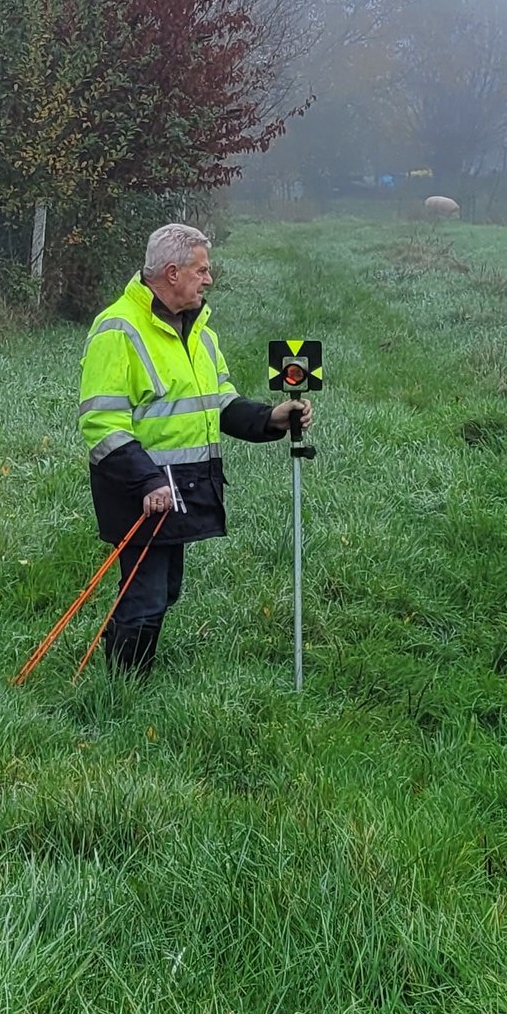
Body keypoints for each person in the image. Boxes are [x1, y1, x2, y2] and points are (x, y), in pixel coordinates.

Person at [76, 220, 301, 675]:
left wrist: (269, 419)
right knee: (146, 596)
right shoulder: (117, 329)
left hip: (186, 485)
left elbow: (218, 400)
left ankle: (124, 672)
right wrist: (146, 480)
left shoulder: (199, 330)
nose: (209, 279)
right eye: (202, 270)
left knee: (165, 591)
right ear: (172, 272)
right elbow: (101, 422)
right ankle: (123, 690)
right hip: (140, 490)